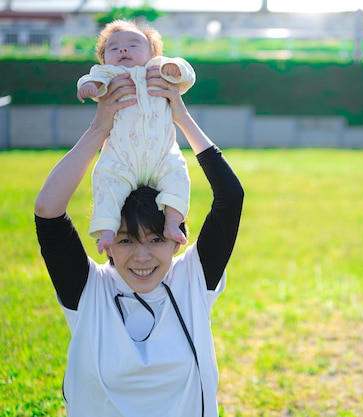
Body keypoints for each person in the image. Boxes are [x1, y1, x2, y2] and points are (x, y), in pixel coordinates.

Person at [35, 67, 244, 416]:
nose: (143, 256)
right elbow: (48, 211)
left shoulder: (193, 278)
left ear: (177, 240)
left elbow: (230, 197)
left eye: (156, 238)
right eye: (127, 240)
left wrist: (180, 117)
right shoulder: (88, 289)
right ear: (109, 243)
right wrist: (99, 128)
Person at [76, 19, 196, 253]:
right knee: (105, 180)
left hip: (162, 157)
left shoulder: (159, 67)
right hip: (121, 158)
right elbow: (91, 78)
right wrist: (89, 85)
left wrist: (176, 70)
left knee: (178, 176)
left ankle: (173, 223)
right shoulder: (109, 74)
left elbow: (187, 74)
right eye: (113, 48)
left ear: (153, 52)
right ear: (104, 58)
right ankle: (107, 230)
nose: (123, 49)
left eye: (133, 44)